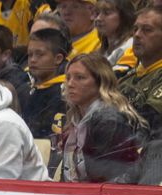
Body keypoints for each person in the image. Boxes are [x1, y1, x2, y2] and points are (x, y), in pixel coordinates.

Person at [62, 53, 145, 182]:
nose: (70, 84)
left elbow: (108, 177)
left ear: (101, 82)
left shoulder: (109, 120)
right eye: (68, 78)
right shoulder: (74, 119)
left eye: (80, 77)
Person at [119, 7, 162, 143]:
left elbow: (148, 127)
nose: (137, 35)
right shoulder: (127, 77)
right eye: (135, 29)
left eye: (147, 30)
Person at [24, 28, 69, 139]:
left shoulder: (64, 93)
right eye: (30, 55)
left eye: (40, 54)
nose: (33, 60)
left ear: (57, 59)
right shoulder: (27, 88)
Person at [95, 0, 136, 77]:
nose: (98, 18)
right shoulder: (101, 51)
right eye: (97, 14)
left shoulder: (131, 46)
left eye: (106, 13)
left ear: (124, 17)